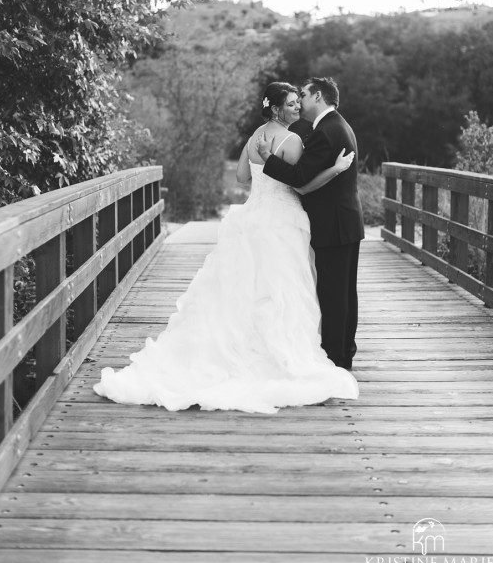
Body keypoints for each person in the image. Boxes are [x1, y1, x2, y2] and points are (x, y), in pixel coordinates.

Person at [94, 81, 358, 414]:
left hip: (253, 215)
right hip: (282, 220)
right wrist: (334, 169)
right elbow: (301, 184)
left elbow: (242, 179)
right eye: (291, 104)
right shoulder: (291, 141)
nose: (296, 108)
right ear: (277, 109)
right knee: (281, 287)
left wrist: (264, 163)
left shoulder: (253, 138)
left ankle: (238, 348)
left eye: (298, 101)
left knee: (244, 286)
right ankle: (279, 351)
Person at [257, 77, 364, 370]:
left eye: (303, 95)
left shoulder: (327, 131)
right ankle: (343, 354)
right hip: (344, 222)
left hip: (334, 224)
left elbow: (300, 176)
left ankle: (335, 359)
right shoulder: (336, 125)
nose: (300, 100)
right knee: (343, 293)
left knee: (333, 295)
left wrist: (268, 158)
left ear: (317, 96)